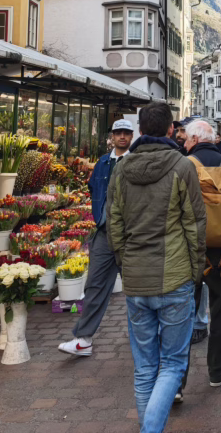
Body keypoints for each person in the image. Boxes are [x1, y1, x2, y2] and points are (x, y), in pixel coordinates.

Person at [106, 102, 206, 433]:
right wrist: (195, 271)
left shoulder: (122, 168)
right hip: (174, 276)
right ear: (170, 130)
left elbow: (114, 224)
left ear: (139, 131)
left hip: (137, 278)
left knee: (145, 367)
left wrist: (125, 263)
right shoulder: (181, 165)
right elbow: (195, 225)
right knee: (173, 364)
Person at [59, 119, 134, 356]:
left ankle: (142, 335)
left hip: (128, 234)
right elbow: (94, 189)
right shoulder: (103, 162)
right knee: (95, 284)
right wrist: (98, 216)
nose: (122, 136)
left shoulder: (134, 161)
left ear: (132, 136)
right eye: (118, 133)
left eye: (126, 133)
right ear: (112, 136)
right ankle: (83, 339)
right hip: (103, 231)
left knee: (136, 287)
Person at [180, 119, 221, 390]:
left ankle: (178, 381)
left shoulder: (184, 165)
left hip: (189, 250)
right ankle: (217, 370)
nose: (184, 143)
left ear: (195, 140)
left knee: (182, 315)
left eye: (186, 139)